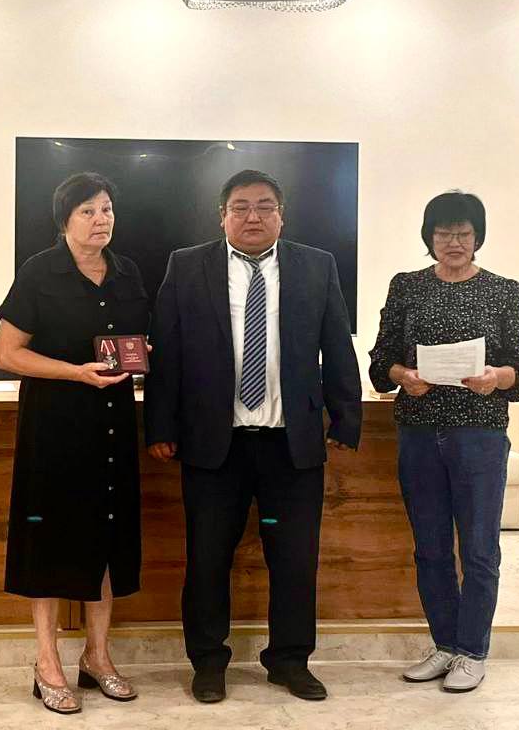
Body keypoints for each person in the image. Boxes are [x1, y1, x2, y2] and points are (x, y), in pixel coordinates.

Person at [145, 168, 362, 704]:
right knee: (207, 559)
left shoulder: (317, 265)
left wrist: (346, 417)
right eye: (240, 207)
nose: (253, 216)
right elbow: (167, 350)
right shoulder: (187, 265)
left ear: (282, 216)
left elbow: (337, 345)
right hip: (214, 445)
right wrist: (161, 425)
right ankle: (208, 662)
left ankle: (290, 661)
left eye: (265, 206)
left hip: (291, 444)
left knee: (295, 560)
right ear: (222, 216)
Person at [0, 172, 149, 715]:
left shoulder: (127, 271)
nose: (101, 219)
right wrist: (75, 372)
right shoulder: (41, 271)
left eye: (107, 209)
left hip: (113, 426)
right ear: (64, 221)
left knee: (106, 539)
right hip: (55, 427)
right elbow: (8, 353)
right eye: (88, 211)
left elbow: (135, 341)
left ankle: (97, 656)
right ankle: (47, 663)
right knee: (51, 543)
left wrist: (141, 354)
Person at [368, 190, 519, 693]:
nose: (454, 242)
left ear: (478, 237)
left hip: (479, 434)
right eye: (443, 234)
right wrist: (403, 375)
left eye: (463, 233)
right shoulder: (407, 286)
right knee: (431, 548)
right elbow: (380, 361)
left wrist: (495, 377)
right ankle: (445, 645)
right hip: (419, 432)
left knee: (479, 549)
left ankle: (472, 651)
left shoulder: (503, 291)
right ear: (429, 237)